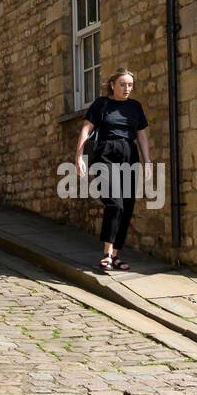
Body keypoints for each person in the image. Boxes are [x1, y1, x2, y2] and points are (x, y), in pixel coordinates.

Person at [75, 68, 151, 272]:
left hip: (129, 153)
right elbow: (86, 129)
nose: (127, 89)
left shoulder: (135, 106)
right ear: (112, 85)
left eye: (130, 85)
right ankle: (107, 253)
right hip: (106, 153)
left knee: (126, 206)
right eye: (123, 84)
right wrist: (79, 157)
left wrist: (148, 160)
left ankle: (116, 255)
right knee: (114, 203)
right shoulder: (102, 104)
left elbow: (141, 135)